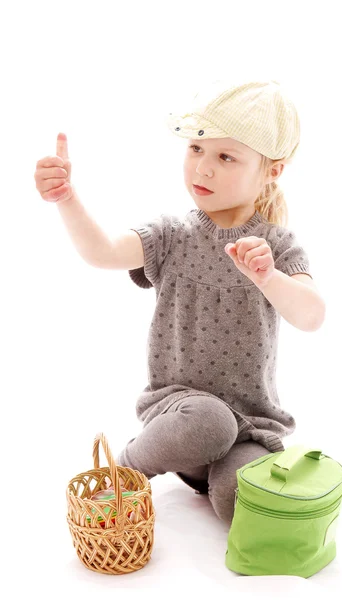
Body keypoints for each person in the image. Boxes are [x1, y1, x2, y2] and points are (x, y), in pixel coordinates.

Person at [34, 79, 326, 526]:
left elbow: (311, 314)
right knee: (209, 421)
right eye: (195, 150)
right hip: (181, 414)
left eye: (226, 157)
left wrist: (270, 279)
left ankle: (213, 476)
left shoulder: (278, 246)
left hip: (246, 428)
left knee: (238, 503)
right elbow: (104, 252)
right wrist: (67, 200)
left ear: (273, 171)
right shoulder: (173, 235)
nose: (202, 169)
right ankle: (122, 471)